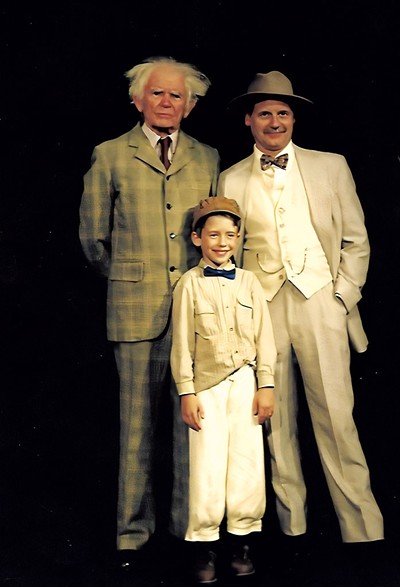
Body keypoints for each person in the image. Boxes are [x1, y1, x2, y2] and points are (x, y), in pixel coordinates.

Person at [217, 71, 384, 549]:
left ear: (294, 119)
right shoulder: (231, 177)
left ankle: (363, 529)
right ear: (249, 120)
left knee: (337, 417)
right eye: (265, 113)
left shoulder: (331, 166)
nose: (275, 121)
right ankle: (294, 528)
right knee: (276, 421)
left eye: (283, 113)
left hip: (319, 303)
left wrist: (341, 296)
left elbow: (357, 239)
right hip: (264, 309)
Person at [79, 56, 220, 574]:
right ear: (138, 100)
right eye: (158, 94)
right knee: (135, 428)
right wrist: (132, 278)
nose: (167, 103)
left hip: (194, 313)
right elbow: (94, 240)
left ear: (190, 105)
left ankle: (192, 527)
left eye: (177, 96)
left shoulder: (207, 157)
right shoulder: (111, 154)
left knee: (194, 427)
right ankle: (132, 535)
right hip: (135, 311)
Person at [170, 196, 277, 583]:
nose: (222, 242)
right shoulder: (189, 284)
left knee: (247, 465)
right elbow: (181, 343)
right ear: (197, 238)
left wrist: (265, 384)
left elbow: (265, 338)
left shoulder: (249, 282)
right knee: (208, 466)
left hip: (246, 382)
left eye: (230, 235)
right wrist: (187, 391)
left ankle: (242, 542)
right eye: (213, 234)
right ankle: (204, 546)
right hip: (207, 387)